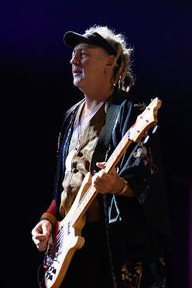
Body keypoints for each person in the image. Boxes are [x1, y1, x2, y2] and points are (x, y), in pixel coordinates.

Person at [31, 25, 170, 288]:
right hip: (65, 247)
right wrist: (47, 220)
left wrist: (117, 185)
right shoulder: (70, 116)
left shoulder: (129, 112)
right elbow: (60, 189)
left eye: (83, 54)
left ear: (110, 62)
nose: (73, 60)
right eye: (73, 54)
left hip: (106, 248)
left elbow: (148, 179)